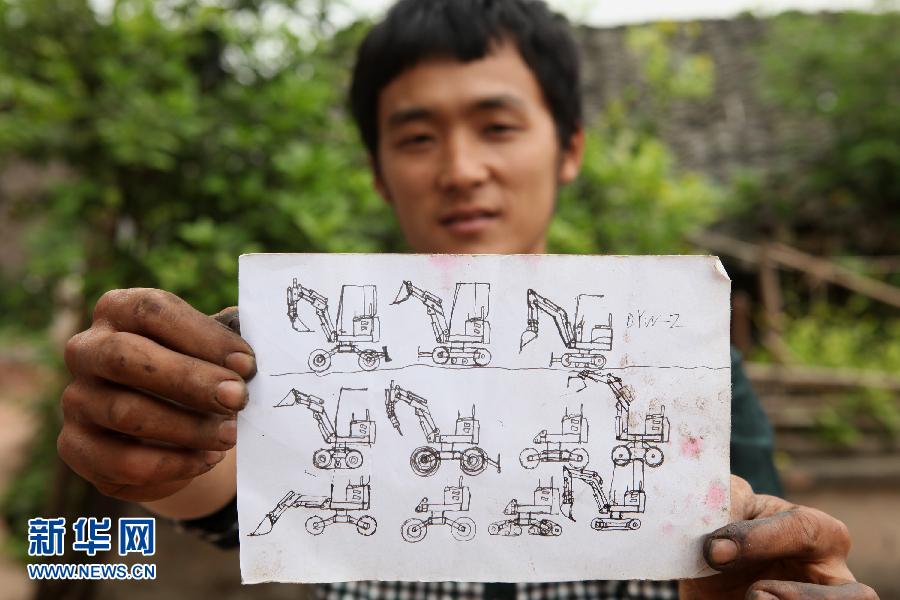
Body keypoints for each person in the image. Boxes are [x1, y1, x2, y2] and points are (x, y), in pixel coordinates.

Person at [58, 0, 878, 598]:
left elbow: (758, 542)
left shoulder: (688, 364)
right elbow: (213, 486)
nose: (459, 170)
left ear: (568, 149)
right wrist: (146, 437)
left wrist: (788, 573)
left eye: (497, 126)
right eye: (417, 137)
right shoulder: (309, 361)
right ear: (379, 172)